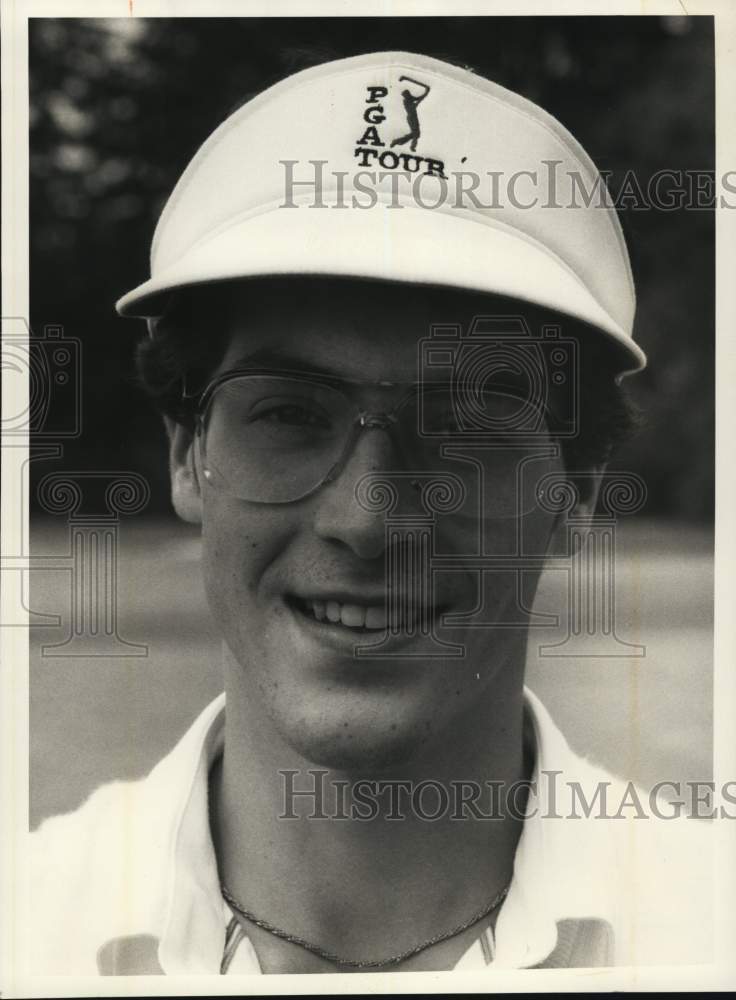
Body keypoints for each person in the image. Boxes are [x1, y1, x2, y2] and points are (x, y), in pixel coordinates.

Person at [29, 50, 711, 976]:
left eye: (464, 424)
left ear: (573, 493)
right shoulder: (24, 926)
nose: (368, 517)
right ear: (189, 455)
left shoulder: (713, 930)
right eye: (290, 414)